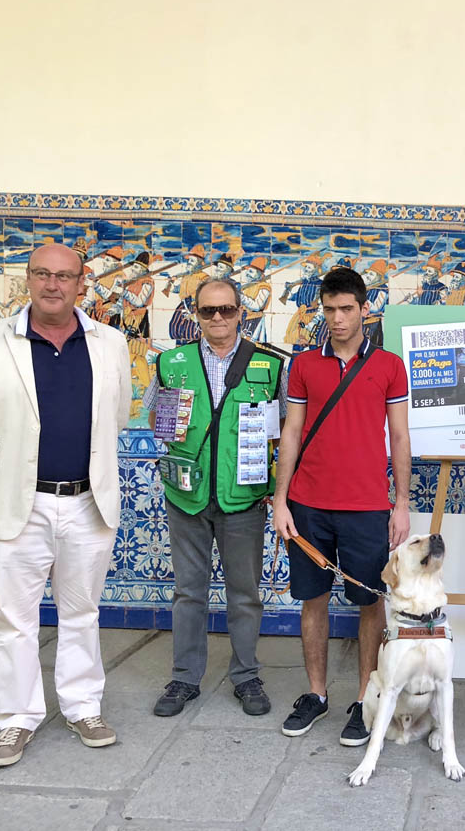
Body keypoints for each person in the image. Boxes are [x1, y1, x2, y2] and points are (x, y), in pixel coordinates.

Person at [0, 243, 131, 767]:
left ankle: (82, 707)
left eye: (64, 276)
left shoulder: (109, 342)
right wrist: (4, 466)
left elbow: (116, 415)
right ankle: (16, 721)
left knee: (81, 612)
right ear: (28, 279)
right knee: (15, 619)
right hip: (14, 505)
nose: (53, 284)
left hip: (86, 503)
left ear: (81, 283)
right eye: (43, 274)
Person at [271, 267, 411, 747]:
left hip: (368, 506)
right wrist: (281, 499)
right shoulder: (305, 364)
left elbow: (400, 435)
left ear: (364, 309)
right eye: (329, 309)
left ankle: (364, 699)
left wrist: (403, 503)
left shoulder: (389, 365)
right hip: (308, 505)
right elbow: (291, 432)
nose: (337, 318)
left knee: (369, 603)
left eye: (346, 308)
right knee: (313, 600)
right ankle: (315, 694)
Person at [142, 278, 287, 719]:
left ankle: (246, 676)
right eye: (208, 311)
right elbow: (154, 417)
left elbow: (284, 429)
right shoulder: (172, 362)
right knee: (189, 592)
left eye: (226, 309)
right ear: (195, 315)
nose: (218, 318)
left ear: (241, 312)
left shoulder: (269, 365)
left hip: (242, 498)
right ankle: (185, 677)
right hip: (187, 494)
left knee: (244, 594)